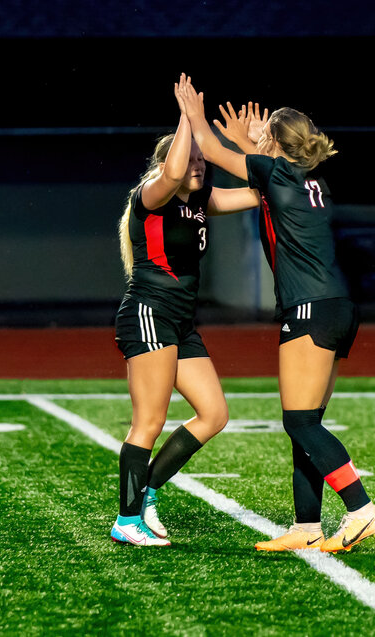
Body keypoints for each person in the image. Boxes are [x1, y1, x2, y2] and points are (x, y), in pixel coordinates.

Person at [177, 77, 375, 553]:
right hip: (337, 305)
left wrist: (193, 111)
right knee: (306, 420)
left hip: (311, 308)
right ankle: (306, 525)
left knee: (300, 422)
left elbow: (208, 149)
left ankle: (361, 510)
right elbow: (266, 173)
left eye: (267, 136)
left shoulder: (277, 174)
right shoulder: (310, 178)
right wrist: (256, 142)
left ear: (276, 144)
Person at [111, 75, 262, 547]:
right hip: (148, 314)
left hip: (180, 322)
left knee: (214, 413)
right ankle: (126, 519)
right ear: (165, 163)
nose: (199, 166)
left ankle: (149, 492)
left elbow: (264, 192)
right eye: (193, 157)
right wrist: (188, 119)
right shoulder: (152, 197)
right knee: (149, 423)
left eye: (203, 160)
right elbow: (173, 173)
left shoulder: (201, 202)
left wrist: (258, 150)